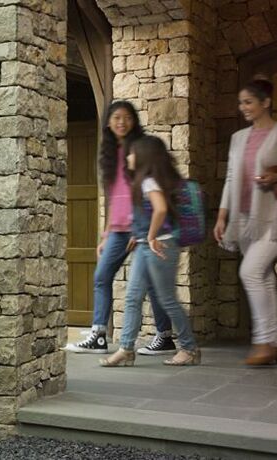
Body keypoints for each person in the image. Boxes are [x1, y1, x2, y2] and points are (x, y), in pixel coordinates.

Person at [213, 78, 277, 366]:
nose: (243, 107)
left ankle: (263, 342)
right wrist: (222, 216)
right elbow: (231, 179)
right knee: (264, 277)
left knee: (250, 272)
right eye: (241, 102)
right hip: (245, 219)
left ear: (265, 102)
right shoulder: (238, 138)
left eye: (248, 101)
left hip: (275, 217)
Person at [65, 100, 178, 356]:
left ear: (134, 121)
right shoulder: (108, 153)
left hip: (137, 226)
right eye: (116, 117)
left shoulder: (138, 149)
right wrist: (105, 233)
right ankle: (99, 335)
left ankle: (164, 335)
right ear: (108, 122)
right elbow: (113, 195)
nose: (121, 122)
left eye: (127, 117)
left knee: (151, 284)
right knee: (102, 277)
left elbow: (141, 191)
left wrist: (138, 229)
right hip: (116, 230)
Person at [100, 136, 200, 367]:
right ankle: (126, 349)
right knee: (133, 297)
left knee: (167, 299)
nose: (128, 157)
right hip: (147, 246)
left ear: (144, 156)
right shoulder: (148, 180)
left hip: (160, 246)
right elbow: (150, 211)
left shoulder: (149, 181)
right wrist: (141, 234)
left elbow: (161, 209)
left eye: (132, 153)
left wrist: (152, 235)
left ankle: (189, 348)